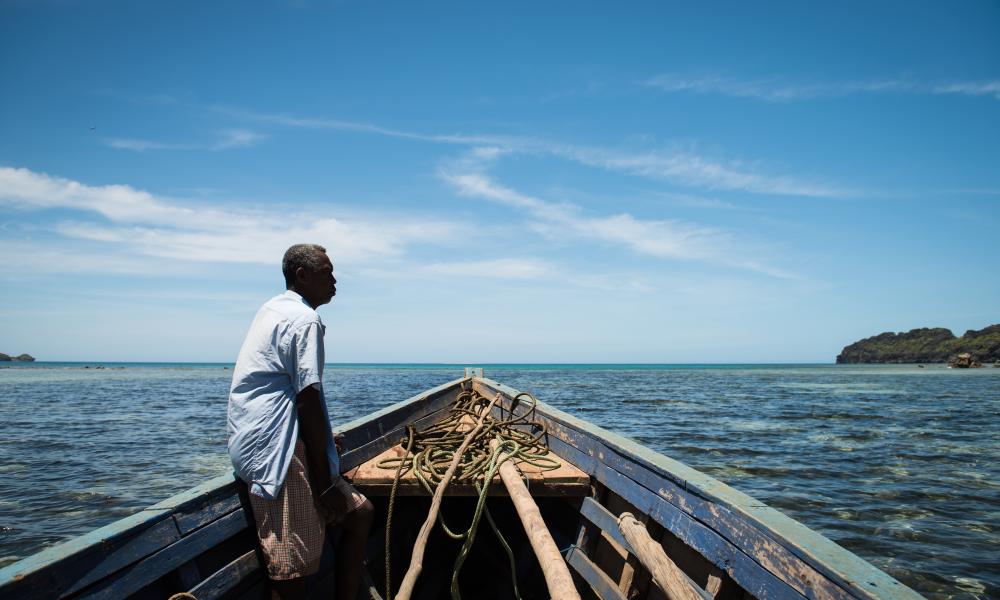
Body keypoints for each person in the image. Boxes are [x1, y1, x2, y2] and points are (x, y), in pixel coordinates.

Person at [228, 244, 373, 599]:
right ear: (302, 276)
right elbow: (307, 397)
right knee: (292, 574)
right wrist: (325, 484)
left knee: (360, 514)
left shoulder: (272, 309)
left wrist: (322, 443)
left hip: (264, 438)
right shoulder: (304, 319)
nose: (335, 281)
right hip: (275, 450)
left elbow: (292, 394)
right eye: (327, 273)